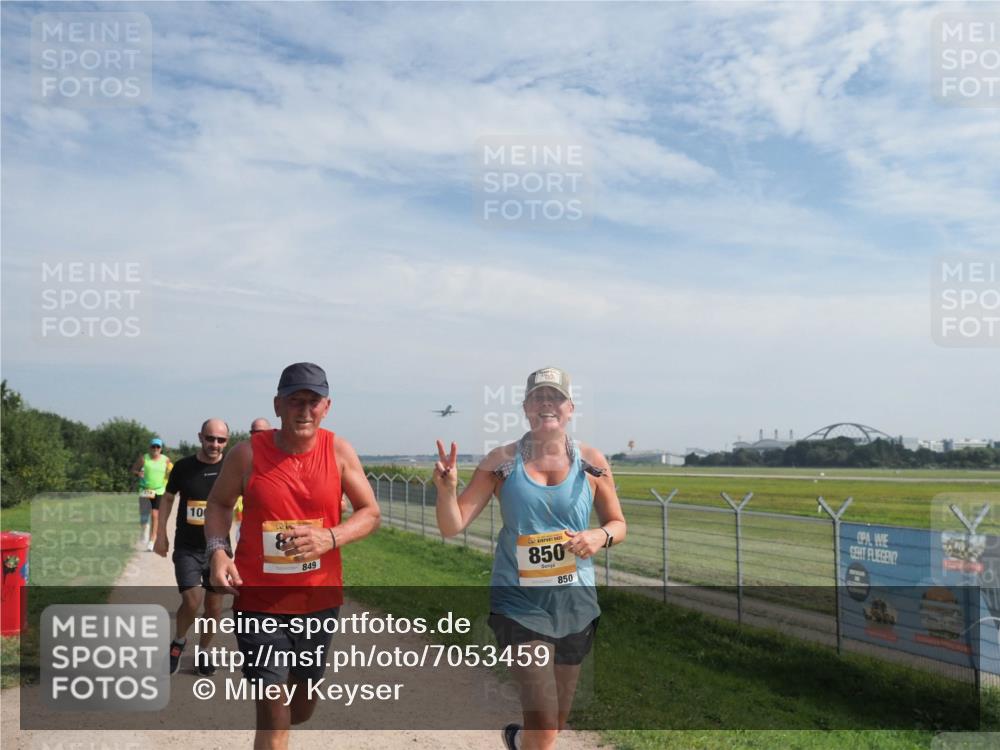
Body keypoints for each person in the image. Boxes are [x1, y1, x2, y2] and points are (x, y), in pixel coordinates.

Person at [433, 367, 626, 750]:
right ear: (525, 407)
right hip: (518, 602)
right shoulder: (501, 461)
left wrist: (598, 536)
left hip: (576, 603)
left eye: (554, 398)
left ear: (570, 408)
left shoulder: (592, 461)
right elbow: (452, 526)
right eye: (538, 398)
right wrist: (446, 490)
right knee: (542, 716)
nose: (546, 405)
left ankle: (519, 741)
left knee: (554, 723)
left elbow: (619, 523)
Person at [206, 362, 380, 750]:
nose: (304, 410)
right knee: (274, 712)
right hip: (259, 601)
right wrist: (219, 553)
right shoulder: (246, 454)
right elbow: (218, 505)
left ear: (327, 406)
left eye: (313, 402)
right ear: (278, 405)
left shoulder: (338, 451)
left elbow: (370, 513)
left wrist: (330, 538)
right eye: (295, 401)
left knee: (300, 708)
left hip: (318, 601)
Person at [154, 418, 230, 675]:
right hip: (187, 547)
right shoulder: (184, 467)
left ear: (226, 442)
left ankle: (204, 652)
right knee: (192, 599)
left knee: (215, 606)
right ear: (200, 437)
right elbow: (166, 499)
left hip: (219, 548)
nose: (215, 444)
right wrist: (160, 534)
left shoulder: (231, 468)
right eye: (210, 438)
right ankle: (178, 643)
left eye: (221, 440)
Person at [131, 438, 172, 551]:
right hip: (145, 489)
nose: (155, 449)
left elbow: (171, 471)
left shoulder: (166, 460)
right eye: (153, 447)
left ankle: (152, 540)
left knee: (155, 514)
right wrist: (138, 473)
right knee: (144, 515)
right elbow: (133, 469)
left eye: (158, 447)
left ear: (161, 449)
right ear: (150, 448)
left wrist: (170, 475)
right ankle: (144, 530)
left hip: (159, 490)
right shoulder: (144, 459)